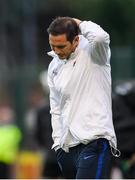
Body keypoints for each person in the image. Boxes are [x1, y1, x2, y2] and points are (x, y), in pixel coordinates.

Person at [47, 16, 120, 179]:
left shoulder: (94, 53)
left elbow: (100, 36)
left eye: (61, 46)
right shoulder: (54, 65)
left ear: (76, 41)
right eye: (52, 45)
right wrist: (58, 143)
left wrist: (78, 23)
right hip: (66, 149)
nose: (56, 51)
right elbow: (56, 107)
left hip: (94, 141)